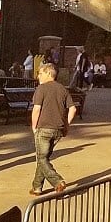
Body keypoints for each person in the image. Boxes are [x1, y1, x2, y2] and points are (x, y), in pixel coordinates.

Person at [30, 62, 77, 196]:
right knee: (44, 158)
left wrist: (34, 126)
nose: (38, 76)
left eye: (40, 73)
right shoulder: (63, 89)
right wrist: (66, 124)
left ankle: (57, 181)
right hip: (58, 129)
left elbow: (36, 109)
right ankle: (37, 187)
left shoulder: (41, 89)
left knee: (41, 158)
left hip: (43, 127)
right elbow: (73, 109)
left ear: (48, 74)